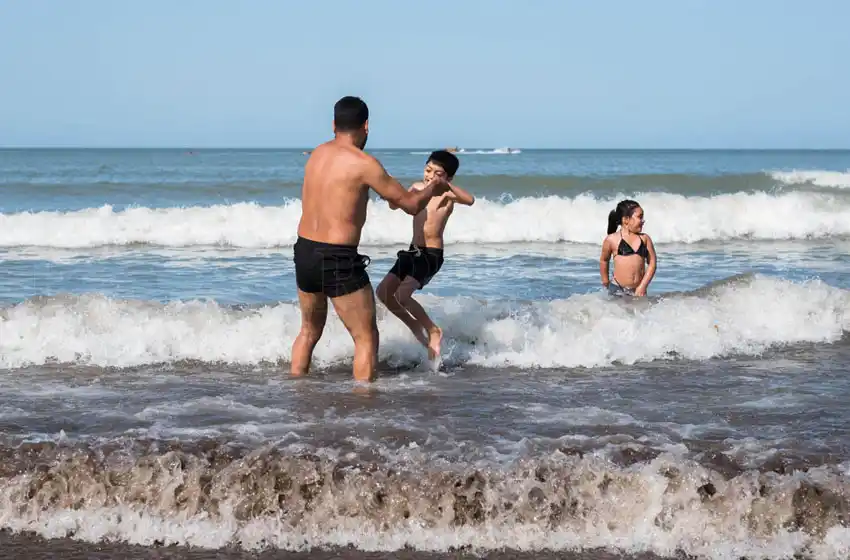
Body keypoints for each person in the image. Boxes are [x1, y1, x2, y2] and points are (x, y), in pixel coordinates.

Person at [291, 96, 450, 382]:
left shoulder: (317, 154)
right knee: (365, 337)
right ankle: (363, 403)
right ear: (366, 126)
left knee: (309, 331)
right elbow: (412, 205)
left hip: (304, 252)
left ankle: (296, 390)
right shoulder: (365, 164)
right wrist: (434, 186)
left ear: (333, 124)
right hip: (337, 258)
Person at [376, 150, 475, 360]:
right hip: (412, 251)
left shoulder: (447, 194)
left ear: (448, 178)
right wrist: (389, 191)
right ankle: (414, 325)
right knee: (383, 292)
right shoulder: (416, 188)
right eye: (428, 170)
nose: (430, 176)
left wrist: (444, 185)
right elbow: (395, 206)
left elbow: (470, 200)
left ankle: (433, 330)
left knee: (402, 296)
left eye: (438, 173)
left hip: (431, 255)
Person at [599, 199, 657, 297]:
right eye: (640, 217)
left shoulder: (645, 239)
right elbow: (604, 260)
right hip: (617, 289)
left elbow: (652, 263)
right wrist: (605, 281)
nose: (643, 220)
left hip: (639, 290)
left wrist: (643, 286)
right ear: (626, 220)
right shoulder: (612, 239)